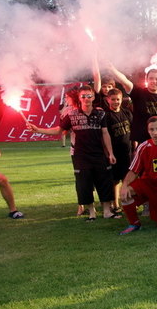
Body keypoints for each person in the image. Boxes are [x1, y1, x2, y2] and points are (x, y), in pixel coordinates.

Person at [28, 86, 119, 221]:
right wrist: (38, 130)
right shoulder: (71, 114)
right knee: (84, 184)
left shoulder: (100, 113)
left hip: (99, 154)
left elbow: (105, 133)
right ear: (79, 98)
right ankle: (91, 212)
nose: (86, 99)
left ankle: (107, 211)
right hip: (81, 156)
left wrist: (110, 153)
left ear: (93, 97)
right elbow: (59, 130)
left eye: (89, 96)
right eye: (83, 96)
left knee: (104, 182)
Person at [119, 116, 157, 235]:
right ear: (148, 131)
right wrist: (125, 185)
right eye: (152, 130)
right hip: (147, 184)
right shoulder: (143, 147)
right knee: (125, 193)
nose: (155, 133)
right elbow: (133, 171)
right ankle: (134, 224)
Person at [109, 65, 157, 146]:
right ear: (147, 80)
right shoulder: (139, 93)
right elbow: (124, 81)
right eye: (151, 78)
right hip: (144, 142)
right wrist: (111, 68)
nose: (154, 81)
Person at [104, 88, 133, 212]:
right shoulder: (106, 116)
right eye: (113, 99)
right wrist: (109, 154)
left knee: (128, 179)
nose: (116, 102)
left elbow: (133, 132)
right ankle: (115, 204)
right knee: (115, 180)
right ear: (108, 100)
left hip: (128, 152)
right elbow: (105, 136)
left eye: (118, 99)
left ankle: (128, 202)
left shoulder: (126, 113)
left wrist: (135, 148)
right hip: (115, 153)